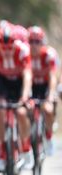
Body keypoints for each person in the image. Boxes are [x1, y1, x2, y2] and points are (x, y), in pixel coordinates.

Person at [0, 25, 34, 170]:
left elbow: (27, 76)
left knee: (21, 113)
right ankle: (2, 151)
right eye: (3, 48)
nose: (7, 51)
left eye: (10, 48)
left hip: (19, 83)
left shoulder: (22, 51)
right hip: (3, 82)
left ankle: (26, 148)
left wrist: (24, 97)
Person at [28, 26, 58, 155]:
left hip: (46, 85)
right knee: (25, 109)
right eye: (31, 41)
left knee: (48, 108)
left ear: (42, 43)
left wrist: (50, 96)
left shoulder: (48, 55)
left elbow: (53, 77)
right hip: (32, 86)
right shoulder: (25, 54)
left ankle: (49, 134)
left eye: (37, 42)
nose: (34, 45)